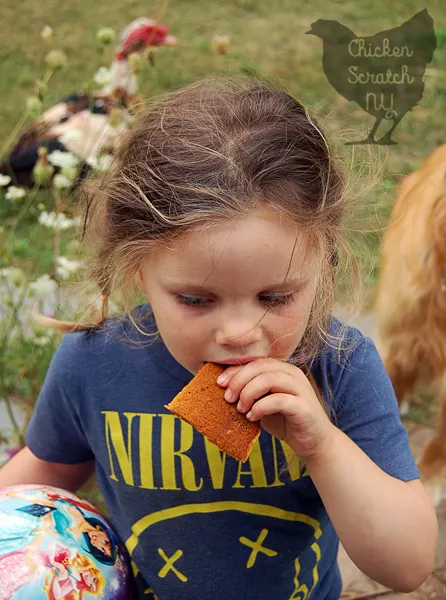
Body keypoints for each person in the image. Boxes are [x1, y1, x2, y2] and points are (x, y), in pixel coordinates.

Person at [0, 76, 438, 600]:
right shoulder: (94, 365)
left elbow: (407, 564)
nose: (238, 334)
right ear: (138, 268)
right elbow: (38, 481)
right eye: (196, 300)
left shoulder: (338, 364)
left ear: (323, 266)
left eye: (275, 298)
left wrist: (320, 444)